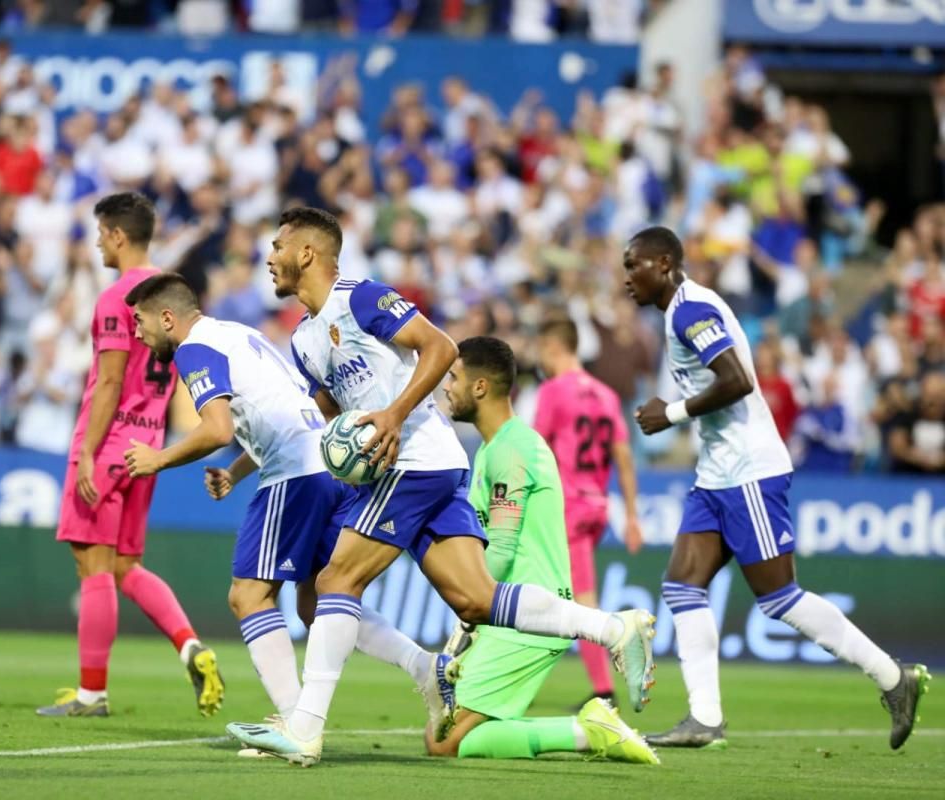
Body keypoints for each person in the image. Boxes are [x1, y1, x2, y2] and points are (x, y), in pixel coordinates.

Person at [226, 206, 656, 766]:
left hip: (416, 459)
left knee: (334, 581)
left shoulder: (361, 297)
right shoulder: (305, 339)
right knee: (474, 600)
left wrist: (395, 415)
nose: (270, 257)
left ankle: (305, 728)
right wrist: (258, 460)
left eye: (279, 246)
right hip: (420, 465)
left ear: (307, 253)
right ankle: (613, 628)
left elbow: (442, 347)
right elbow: (326, 409)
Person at [623, 225, 930, 750]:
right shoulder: (680, 312)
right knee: (681, 586)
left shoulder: (693, 311)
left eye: (635, 265)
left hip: (749, 470)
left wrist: (671, 412)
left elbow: (738, 379)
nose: (627, 276)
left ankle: (891, 677)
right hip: (716, 473)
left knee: (779, 598)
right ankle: (705, 719)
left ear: (666, 264)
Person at [120, 273, 459, 745]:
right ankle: (425, 666)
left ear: (168, 317)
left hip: (293, 474)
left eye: (139, 321)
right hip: (328, 464)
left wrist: (159, 459)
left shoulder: (193, 349)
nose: (137, 332)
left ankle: (294, 722)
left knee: (248, 596)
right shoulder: (240, 334)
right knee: (316, 603)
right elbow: (288, 407)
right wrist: (236, 472)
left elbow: (217, 428)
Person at [422, 335, 657, 765]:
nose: (445, 386)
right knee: (442, 734)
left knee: (443, 742)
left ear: (480, 387)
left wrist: (468, 606)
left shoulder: (512, 450)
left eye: (453, 377)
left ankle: (587, 732)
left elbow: (503, 552)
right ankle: (588, 729)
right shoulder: (497, 448)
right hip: (507, 615)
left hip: (528, 618)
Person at [36, 193, 223, 719]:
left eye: (100, 233)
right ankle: (190, 645)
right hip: (149, 444)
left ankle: (92, 693)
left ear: (118, 235)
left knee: (92, 566)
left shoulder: (117, 296)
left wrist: (90, 454)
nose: (97, 242)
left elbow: (111, 380)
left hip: (110, 441)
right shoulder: (173, 294)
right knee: (125, 565)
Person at [534, 317, 643, 709]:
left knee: (579, 602)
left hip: (567, 508)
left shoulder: (552, 392)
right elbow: (625, 459)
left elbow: (537, 452)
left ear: (553, 347)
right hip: (598, 505)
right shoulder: (607, 395)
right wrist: (631, 516)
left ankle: (605, 690)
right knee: (556, 597)